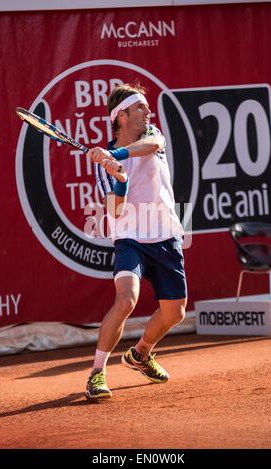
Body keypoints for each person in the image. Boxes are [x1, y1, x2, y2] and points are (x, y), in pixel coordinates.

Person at [86, 82, 187, 400]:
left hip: (166, 235)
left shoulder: (153, 137)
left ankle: (141, 354)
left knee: (175, 313)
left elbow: (152, 145)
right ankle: (96, 374)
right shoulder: (106, 168)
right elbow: (114, 213)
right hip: (130, 238)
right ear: (122, 116)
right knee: (126, 299)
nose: (148, 110)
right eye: (140, 107)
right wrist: (119, 181)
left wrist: (115, 155)